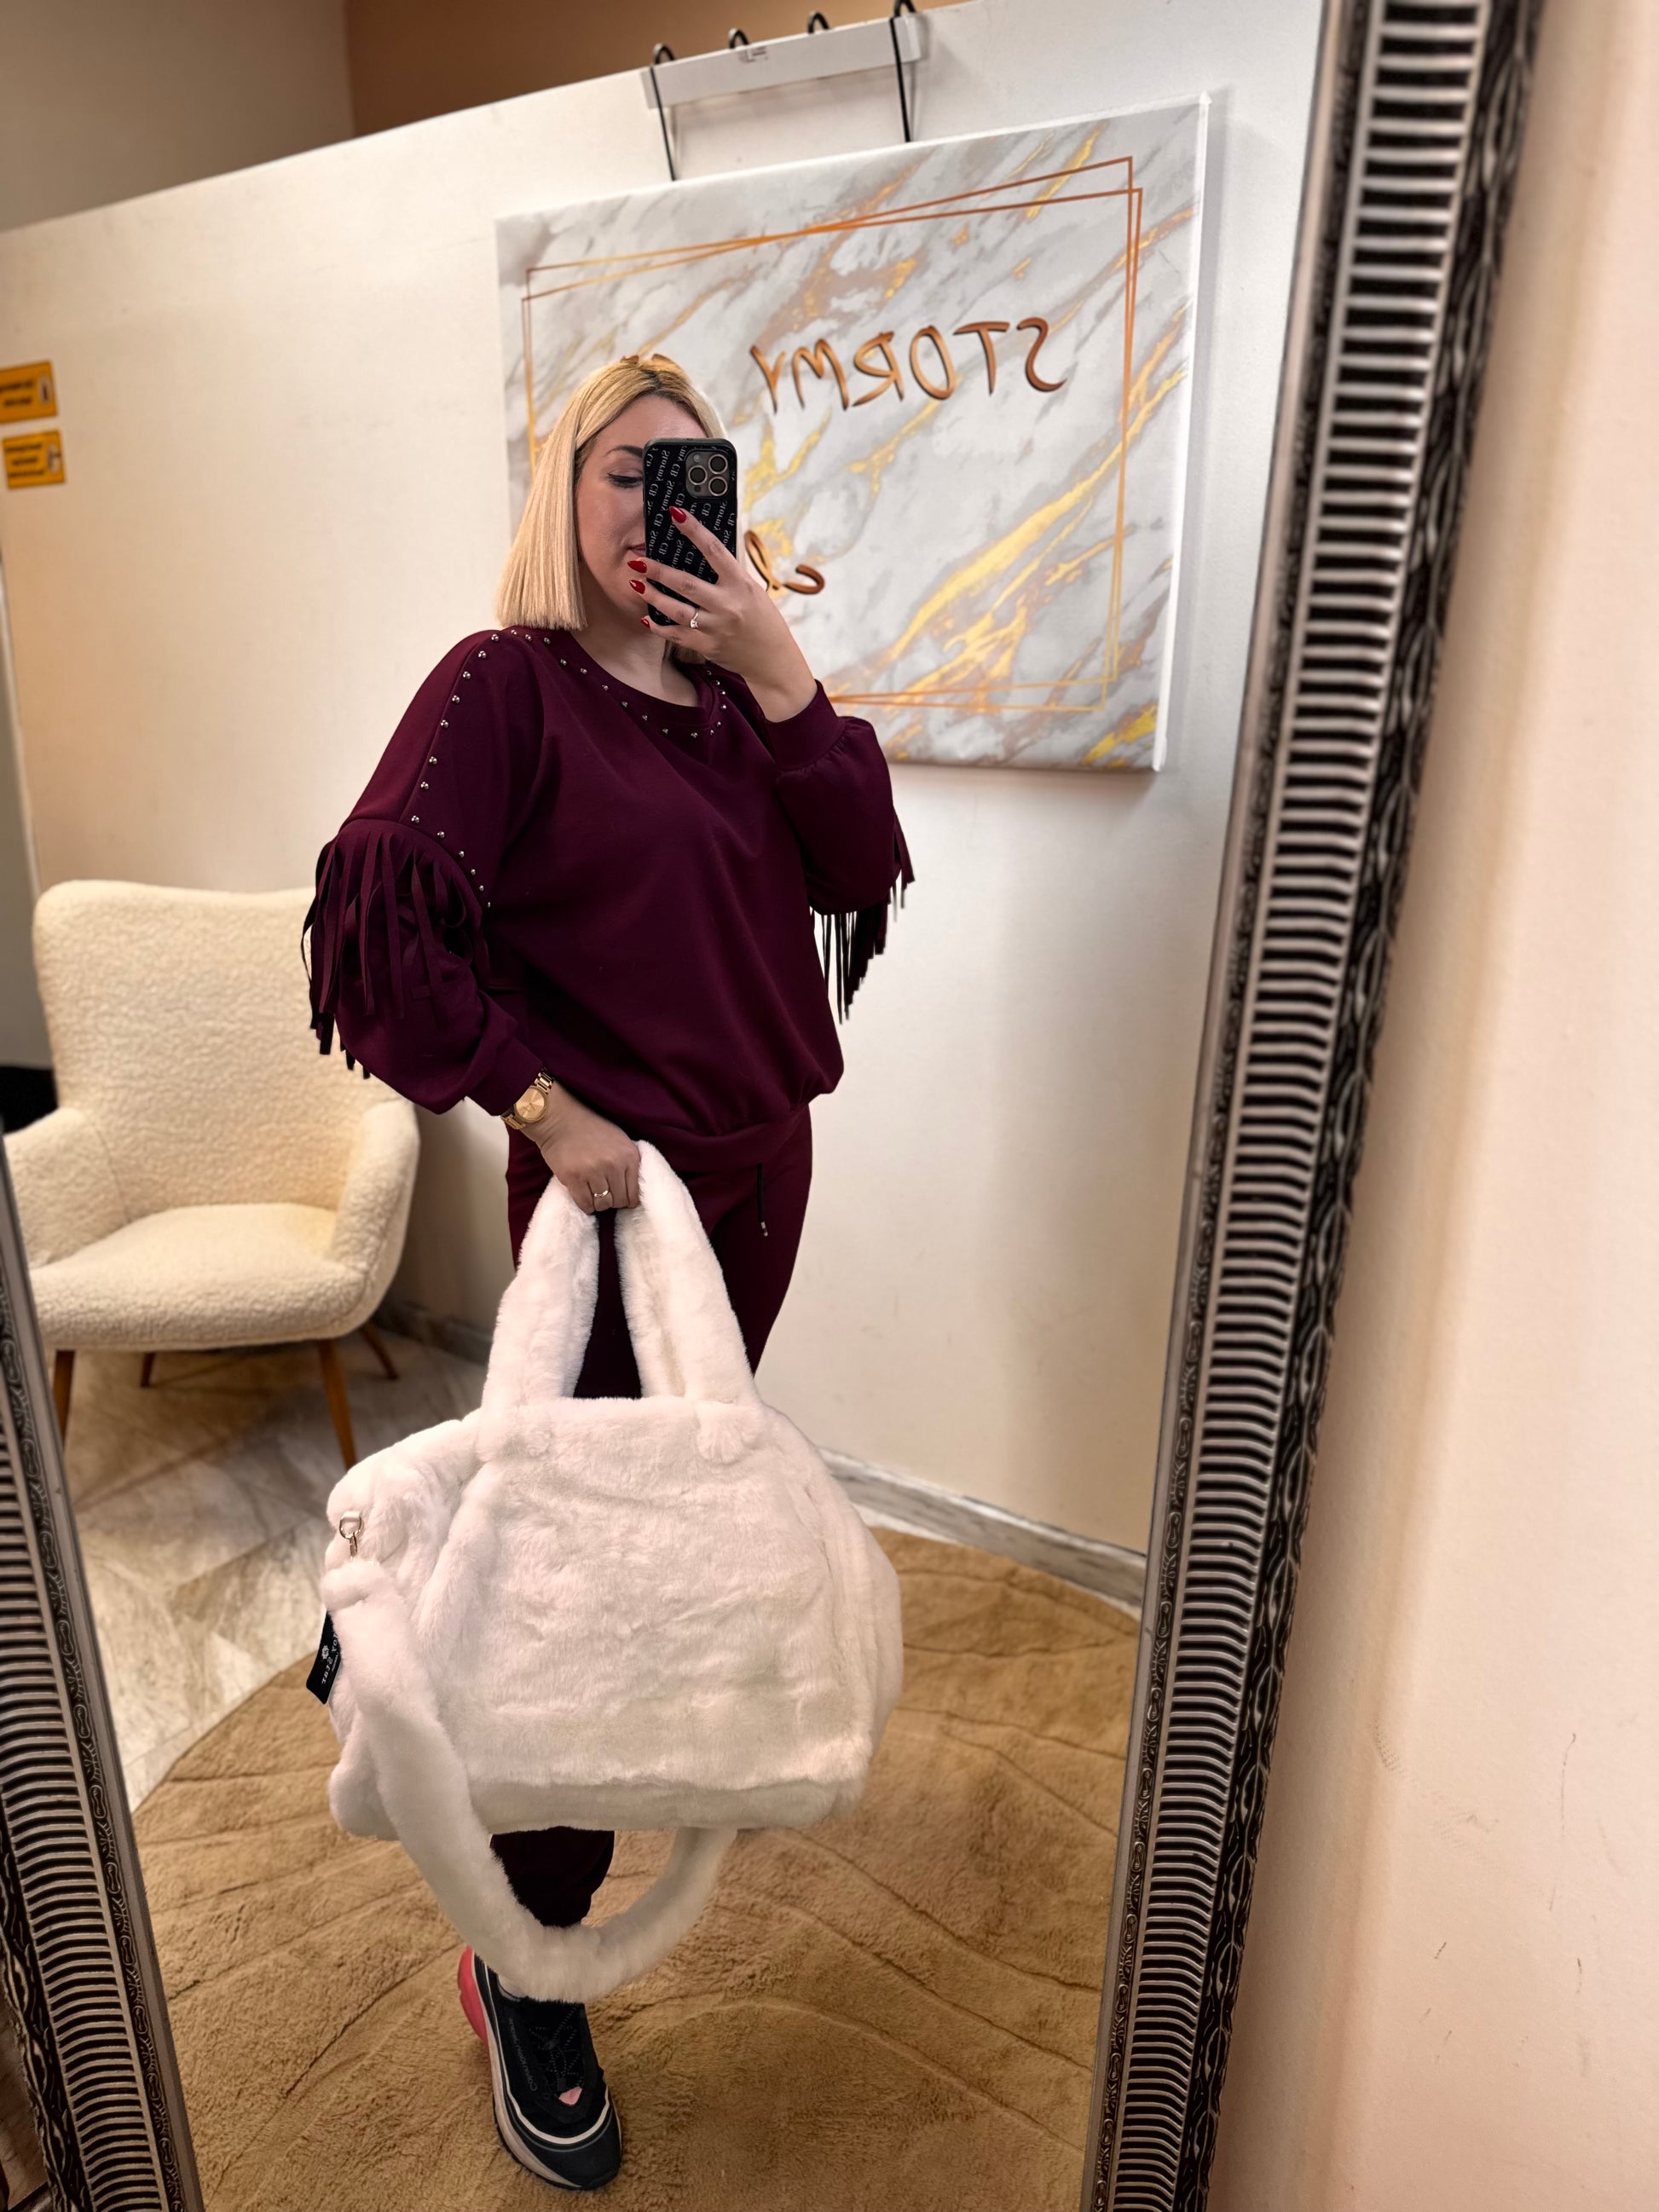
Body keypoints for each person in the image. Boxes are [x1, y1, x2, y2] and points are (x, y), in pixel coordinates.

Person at [301, 352, 911, 2191]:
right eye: (626, 470)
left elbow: (861, 864)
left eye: (690, 471)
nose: (660, 502)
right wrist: (545, 1107)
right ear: (564, 492)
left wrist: (783, 670)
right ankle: (527, 1953)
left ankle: (429, 1618)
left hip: (761, 1176)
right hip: (613, 1196)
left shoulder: (738, 703)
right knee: (588, 1571)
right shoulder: (506, 686)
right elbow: (381, 917)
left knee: (661, 1521)